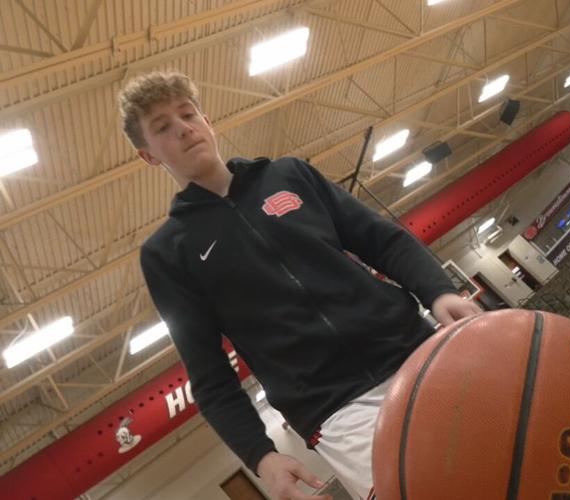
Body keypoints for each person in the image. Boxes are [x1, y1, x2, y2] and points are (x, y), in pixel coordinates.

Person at [119, 71, 482, 500]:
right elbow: (210, 376)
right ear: (148, 156)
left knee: (517, 462)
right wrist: (262, 455)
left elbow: (381, 240)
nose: (182, 127)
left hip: (416, 351)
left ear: (208, 119)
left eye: (187, 114)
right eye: (162, 127)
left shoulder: (289, 175)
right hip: (339, 411)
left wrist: (438, 291)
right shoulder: (167, 254)